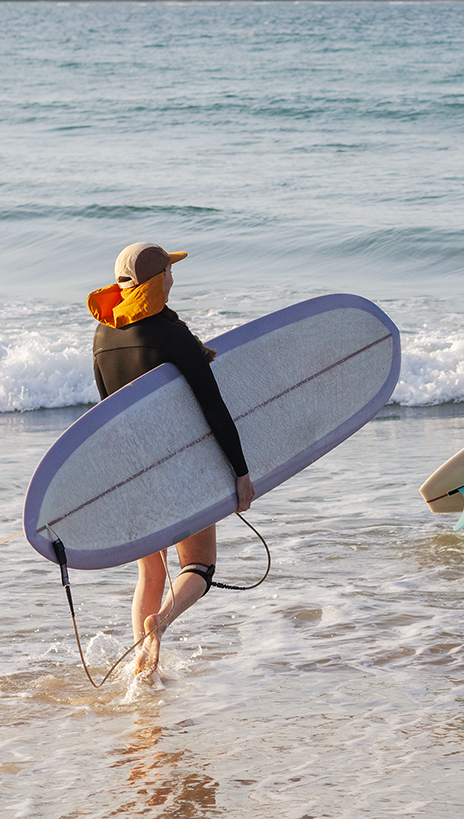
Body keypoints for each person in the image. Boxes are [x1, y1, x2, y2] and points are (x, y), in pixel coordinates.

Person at [88, 242, 255, 678]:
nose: (173, 277)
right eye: (169, 271)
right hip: (184, 467)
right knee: (199, 567)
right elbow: (212, 407)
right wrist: (240, 472)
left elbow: (108, 411)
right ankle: (160, 622)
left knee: (150, 570)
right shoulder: (171, 334)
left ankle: (142, 661)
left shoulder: (103, 334)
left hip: (134, 471)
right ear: (159, 281)